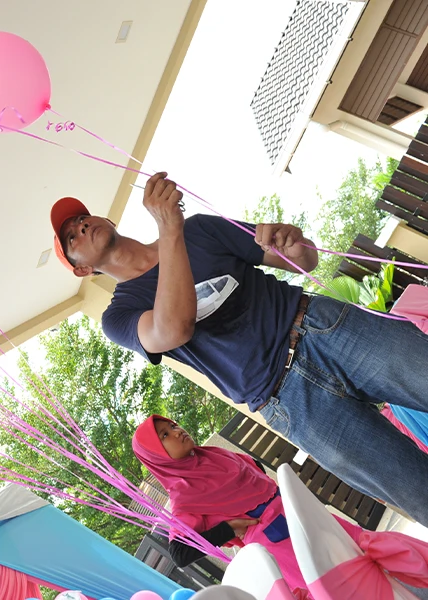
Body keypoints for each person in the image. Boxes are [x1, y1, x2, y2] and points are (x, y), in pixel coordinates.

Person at [48, 172, 428, 526]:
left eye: (82, 219)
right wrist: (169, 229)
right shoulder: (118, 316)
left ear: (106, 220)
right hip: (288, 401)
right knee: (415, 490)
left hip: (325, 328)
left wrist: (293, 244)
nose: (81, 227)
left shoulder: (198, 229)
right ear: (82, 270)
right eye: (71, 239)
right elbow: (174, 329)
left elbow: (304, 260)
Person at [133, 415, 428, 599]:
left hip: (298, 511)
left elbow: (255, 470)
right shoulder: (183, 498)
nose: (177, 431)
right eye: (164, 435)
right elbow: (180, 553)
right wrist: (228, 529)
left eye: (172, 425)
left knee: (361, 552)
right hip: (279, 543)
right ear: (157, 456)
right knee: (338, 583)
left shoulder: (214, 455)